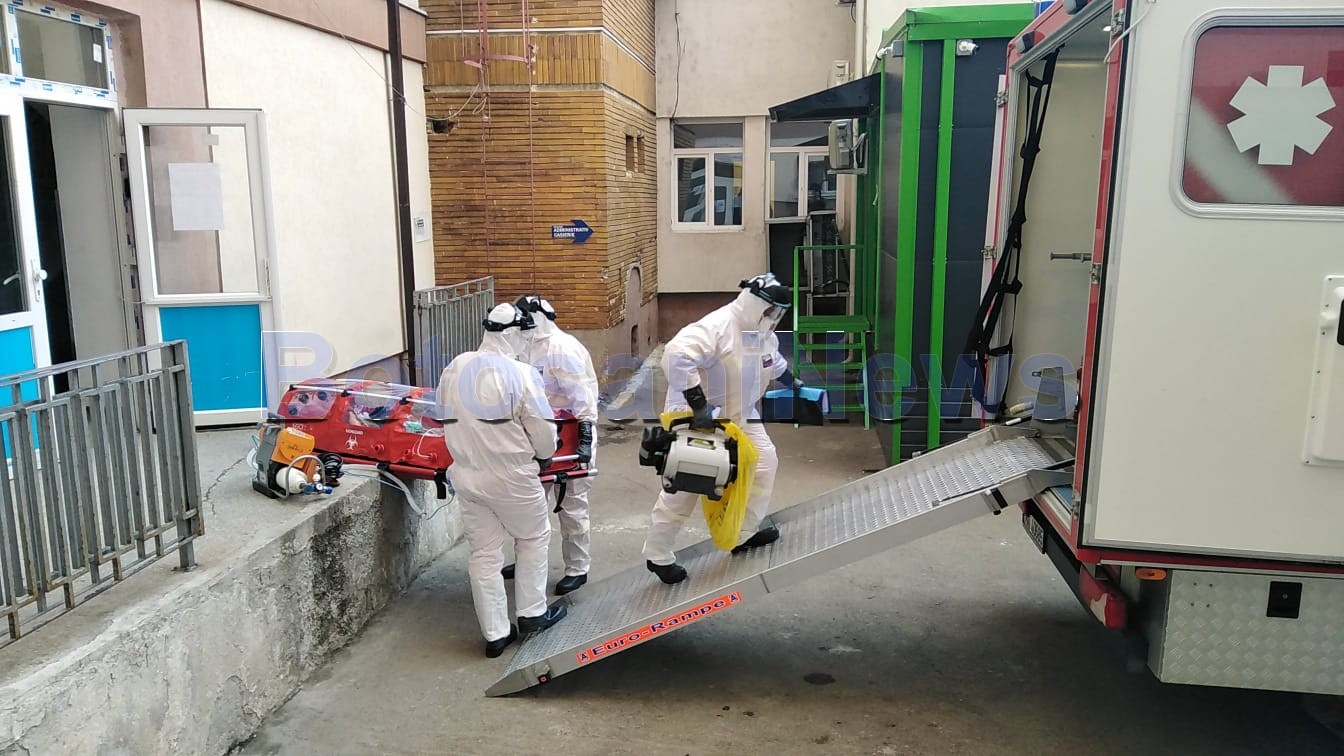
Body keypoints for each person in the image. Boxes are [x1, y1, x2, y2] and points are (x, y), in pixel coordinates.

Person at [642, 273, 804, 585]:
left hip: (740, 414)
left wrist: (793, 382)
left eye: (779, 313)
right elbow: (676, 355)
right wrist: (698, 405)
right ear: (754, 302)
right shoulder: (718, 326)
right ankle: (657, 553)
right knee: (688, 484)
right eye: (771, 310)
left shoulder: (761, 332)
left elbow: (771, 362)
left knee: (764, 463)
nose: (774, 317)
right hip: (699, 418)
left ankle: (743, 533)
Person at [437, 303, 567, 657]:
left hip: (466, 475)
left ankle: (496, 634)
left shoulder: (455, 367)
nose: (528, 341)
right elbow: (543, 431)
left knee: (484, 552)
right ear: (512, 334)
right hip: (512, 477)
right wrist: (545, 455)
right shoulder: (521, 374)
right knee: (533, 537)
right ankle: (532, 613)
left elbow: (442, 415)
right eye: (525, 335)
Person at [508, 294, 600, 595]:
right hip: (541, 436)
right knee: (530, 505)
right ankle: (527, 561)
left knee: (572, 506)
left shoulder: (562, 349)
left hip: (572, 436)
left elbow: (583, 398)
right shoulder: (526, 347)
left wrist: (584, 439)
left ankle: (577, 568)